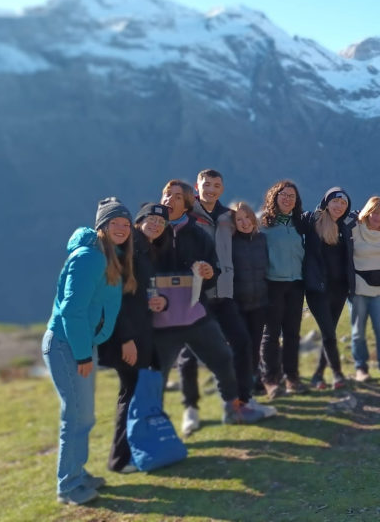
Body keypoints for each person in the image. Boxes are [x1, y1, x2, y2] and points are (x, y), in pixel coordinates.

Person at [151, 180, 269, 436]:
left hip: (194, 313)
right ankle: (154, 424)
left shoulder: (197, 235)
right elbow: (137, 270)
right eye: (166, 195)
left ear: (187, 204)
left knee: (223, 359)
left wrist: (209, 272)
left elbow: (213, 269)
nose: (169, 200)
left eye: (177, 197)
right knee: (158, 375)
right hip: (162, 319)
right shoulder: (150, 231)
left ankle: (233, 407)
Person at [43, 197, 133, 505]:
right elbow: (71, 311)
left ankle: (77, 475)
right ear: (101, 227)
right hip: (68, 345)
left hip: (79, 344)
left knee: (84, 416)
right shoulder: (90, 258)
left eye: (126, 224)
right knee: (76, 416)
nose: (122, 229)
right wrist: (82, 354)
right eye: (115, 223)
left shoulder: (109, 256)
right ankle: (68, 486)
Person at [99, 202, 166, 475]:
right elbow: (118, 301)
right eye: (150, 219)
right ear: (138, 222)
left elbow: (137, 294)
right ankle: (120, 459)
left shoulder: (142, 250)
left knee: (134, 392)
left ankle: (131, 453)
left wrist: (157, 302)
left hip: (139, 331)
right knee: (130, 393)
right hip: (127, 337)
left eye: (161, 223)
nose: (156, 225)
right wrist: (126, 339)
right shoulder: (128, 250)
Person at [303, 187, 356, 390]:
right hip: (318, 289)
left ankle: (317, 375)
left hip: (340, 289)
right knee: (328, 333)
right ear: (326, 202)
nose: (339, 206)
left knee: (330, 332)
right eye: (335, 202)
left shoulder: (345, 226)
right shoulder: (312, 221)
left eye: (343, 204)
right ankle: (337, 374)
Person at [259, 180, 307, 394]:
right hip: (272, 284)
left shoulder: (300, 224)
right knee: (271, 334)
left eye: (292, 196)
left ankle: (292, 378)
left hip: (296, 284)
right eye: (283, 195)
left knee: (292, 334)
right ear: (274, 197)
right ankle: (270, 379)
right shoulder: (264, 225)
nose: (287, 199)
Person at [349, 196, 380, 383]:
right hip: (359, 287)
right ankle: (361, 368)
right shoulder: (355, 229)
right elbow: (343, 214)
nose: (377, 217)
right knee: (358, 331)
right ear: (368, 212)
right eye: (374, 212)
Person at [229, 201, 270, 396]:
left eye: (247, 217)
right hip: (238, 303)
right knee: (241, 344)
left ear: (254, 219)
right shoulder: (230, 243)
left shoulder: (262, 239)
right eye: (239, 219)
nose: (244, 222)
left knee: (255, 344)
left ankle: (255, 380)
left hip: (260, 302)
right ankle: (240, 382)